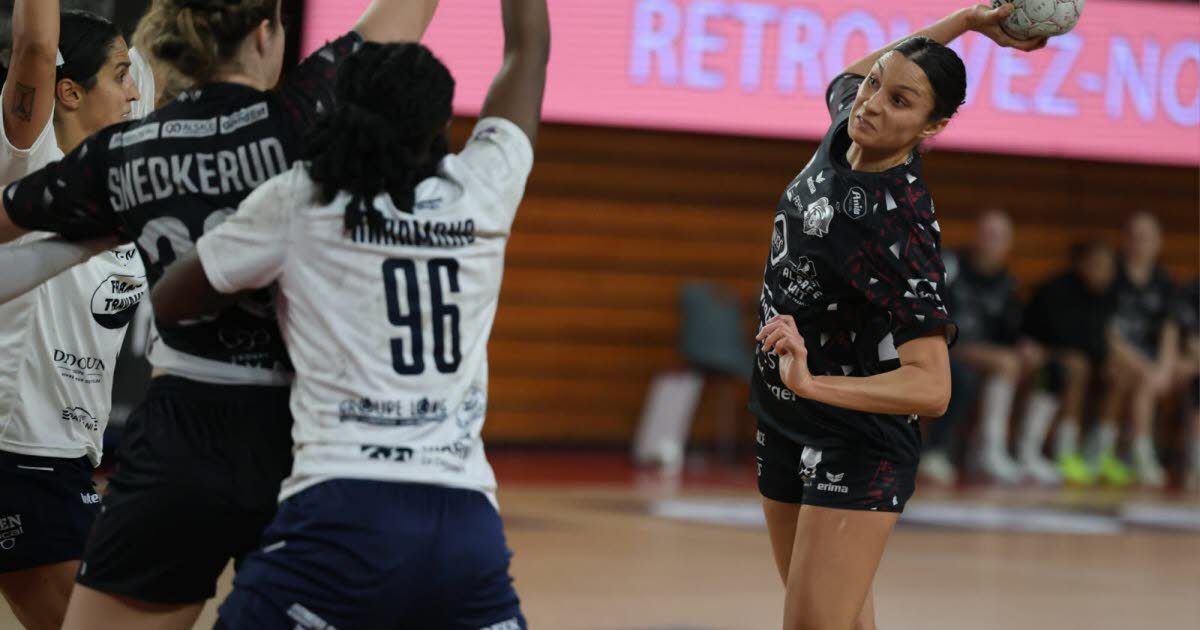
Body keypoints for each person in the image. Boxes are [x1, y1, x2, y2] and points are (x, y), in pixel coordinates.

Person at [0, 1, 438, 628]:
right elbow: (400, 19)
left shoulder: (128, 153)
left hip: (178, 433)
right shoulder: (299, 116)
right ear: (267, 33)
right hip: (294, 435)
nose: (130, 89)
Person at [151, 0, 548, 626]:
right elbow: (527, 55)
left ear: (342, 112)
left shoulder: (303, 196)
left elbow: (172, 303)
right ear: (441, 123)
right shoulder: (484, 188)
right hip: (464, 518)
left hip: (340, 507)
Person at [750, 4, 1044, 628]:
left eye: (900, 100)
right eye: (877, 81)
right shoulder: (846, 130)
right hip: (783, 412)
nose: (872, 102)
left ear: (929, 127)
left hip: (856, 439)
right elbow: (862, 79)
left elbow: (932, 387)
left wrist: (814, 384)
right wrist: (964, 22)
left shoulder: (899, 226)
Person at [0, 4, 151, 629]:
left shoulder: (122, 176)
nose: (133, 89)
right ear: (67, 92)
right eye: (120, 75)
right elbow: (36, 44)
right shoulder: (27, 161)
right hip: (19, 452)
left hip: (59, 457)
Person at [943, 210, 1059, 484]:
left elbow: (1011, 329)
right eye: (986, 234)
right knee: (1005, 363)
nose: (990, 242)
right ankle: (989, 450)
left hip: (985, 354)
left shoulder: (1006, 282)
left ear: (1008, 244)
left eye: (998, 237)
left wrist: (1026, 346)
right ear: (975, 236)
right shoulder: (952, 264)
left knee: (1049, 369)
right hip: (944, 345)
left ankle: (1027, 451)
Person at [1023, 240, 1122, 485]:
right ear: (1082, 264)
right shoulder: (1056, 290)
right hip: (1042, 356)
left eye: (1110, 267)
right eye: (1099, 265)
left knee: (1119, 372)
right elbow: (1054, 336)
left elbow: (1099, 338)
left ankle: (1101, 451)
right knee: (1078, 367)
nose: (1105, 272)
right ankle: (1064, 450)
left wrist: (1108, 359)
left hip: (1083, 359)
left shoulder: (1106, 295)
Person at [1104, 212, 1178, 487]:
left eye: (1145, 238)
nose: (1139, 244)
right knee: (1138, 378)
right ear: (1125, 241)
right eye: (1134, 237)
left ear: (1158, 243)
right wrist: (1146, 367)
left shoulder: (1164, 281)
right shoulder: (1113, 277)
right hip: (1119, 355)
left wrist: (1166, 367)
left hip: (1151, 358)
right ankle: (1140, 452)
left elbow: (1170, 329)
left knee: (1187, 374)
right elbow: (1107, 333)